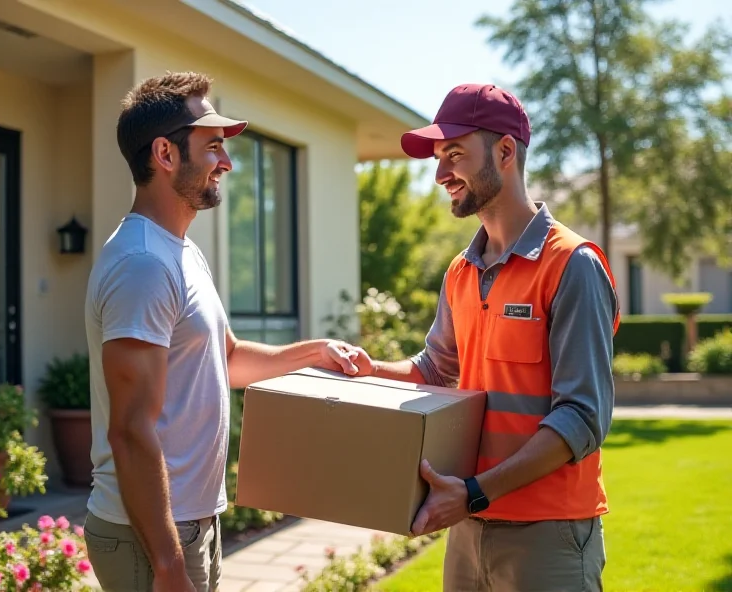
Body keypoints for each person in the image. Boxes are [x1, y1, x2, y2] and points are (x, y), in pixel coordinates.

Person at [82, 71, 362, 592]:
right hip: (150, 535)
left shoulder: (181, 252)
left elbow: (224, 360)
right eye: (213, 146)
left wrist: (313, 353)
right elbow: (130, 429)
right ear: (165, 154)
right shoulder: (143, 264)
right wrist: (167, 563)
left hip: (190, 524)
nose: (227, 162)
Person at [347, 83, 620, 591]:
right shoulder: (460, 272)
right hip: (468, 530)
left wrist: (472, 492)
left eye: (454, 153)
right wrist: (370, 372)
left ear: (505, 151)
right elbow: (436, 368)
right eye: (437, 157)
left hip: (548, 535)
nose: (439, 174)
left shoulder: (571, 265)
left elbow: (582, 417)